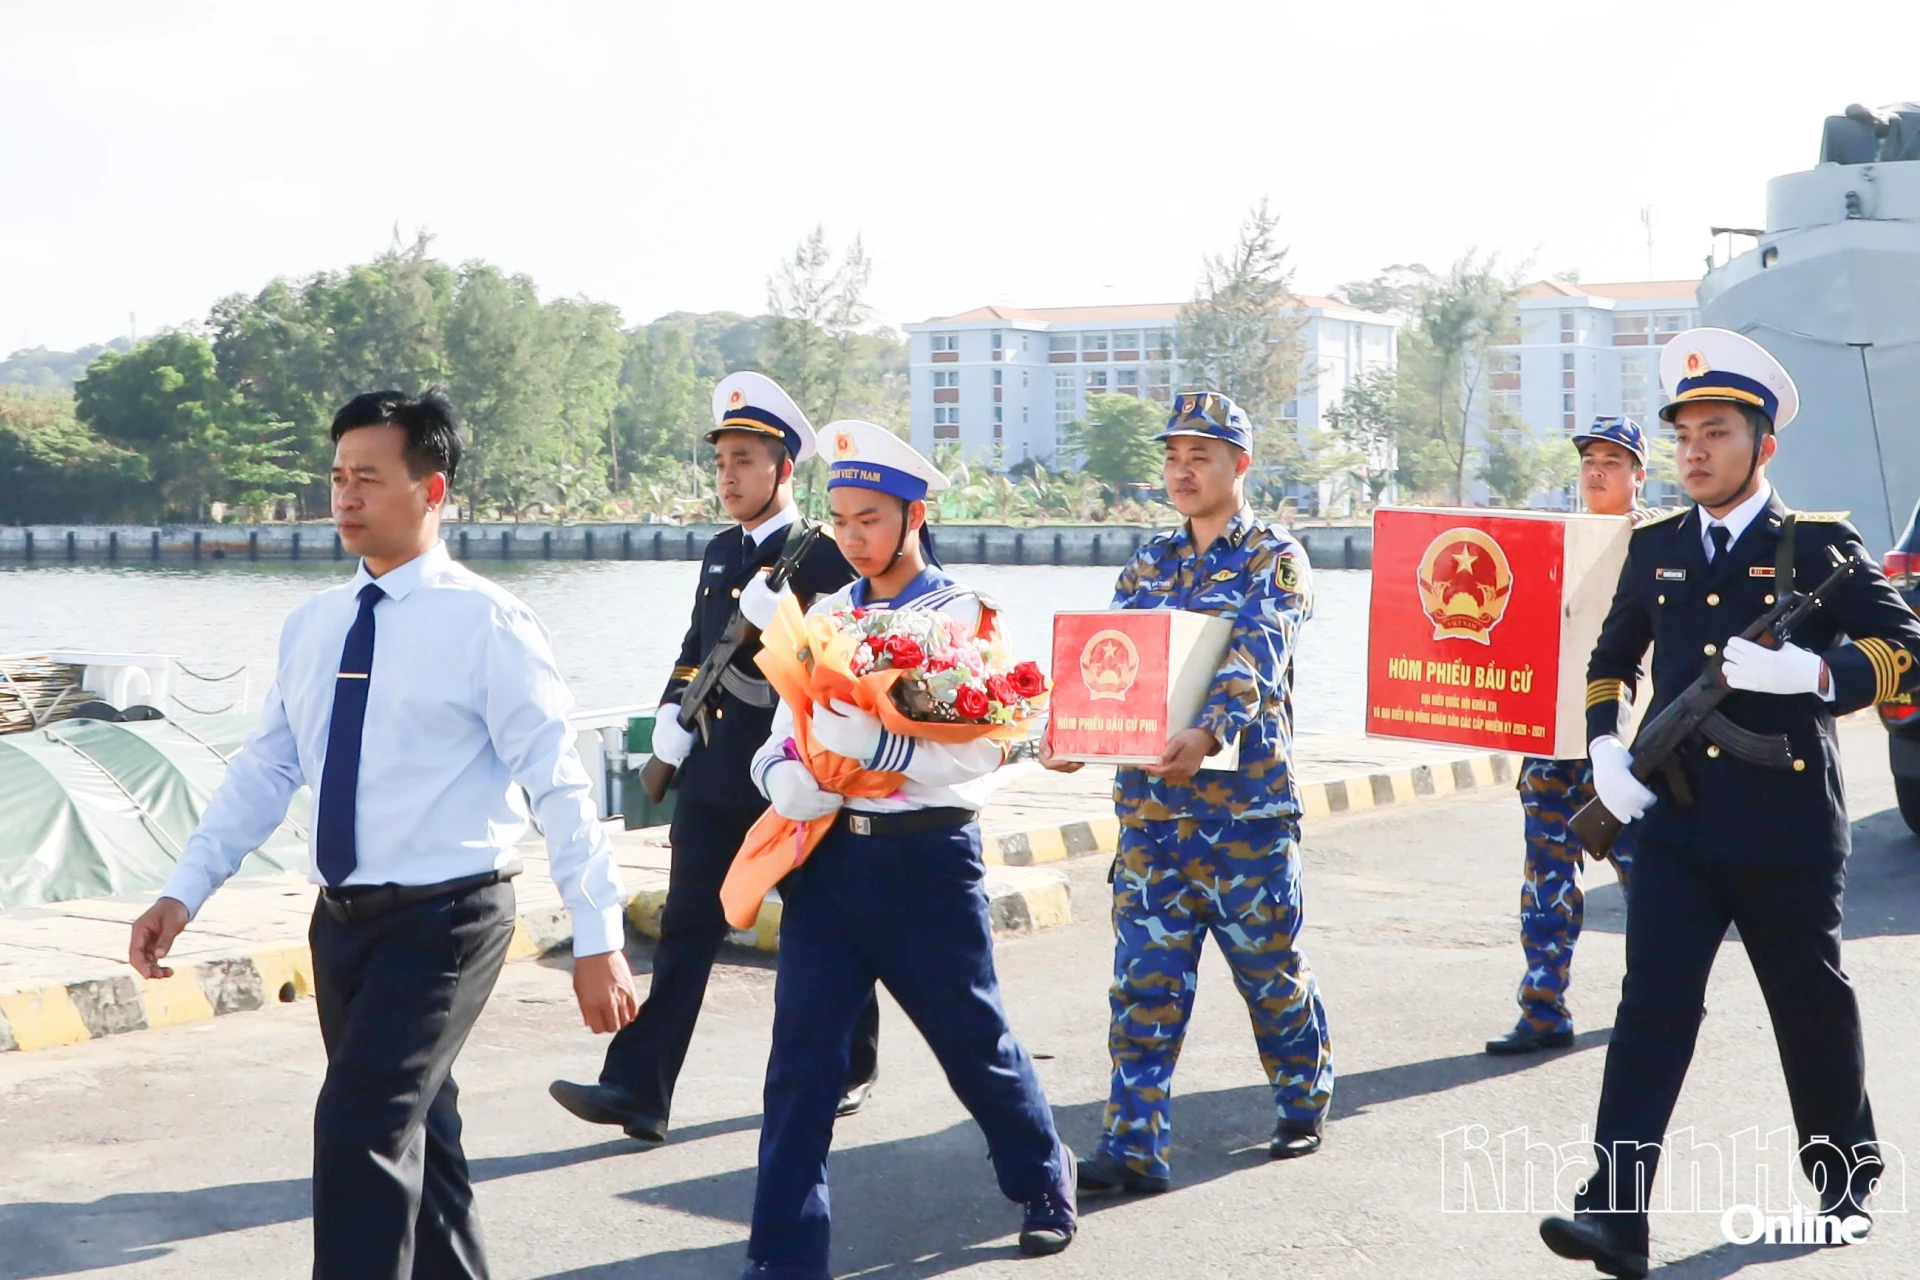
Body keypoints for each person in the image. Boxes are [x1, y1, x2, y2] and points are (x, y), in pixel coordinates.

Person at [126, 391, 639, 1280]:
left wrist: (598, 938)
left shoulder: (489, 623)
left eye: (369, 477)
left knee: (359, 1129)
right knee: (421, 1147)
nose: (346, 497)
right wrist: (184, 889)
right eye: (336, 478)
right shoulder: (313, 625)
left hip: (448, 921)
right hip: (345, 925)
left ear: (430, 489)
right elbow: (265, 771)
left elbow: (559, 781)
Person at [1540, 330, 1920, 1277]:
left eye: (1717, 431)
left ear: (1763, 446)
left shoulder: (1819, 545)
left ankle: (1844, 1180)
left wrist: (1815, 673)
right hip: (1675, 822)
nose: (1696, 450)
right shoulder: (1659, 543)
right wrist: (1603, 749)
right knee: (1651, 1009)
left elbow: (1905, 647)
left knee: (1808, 1004)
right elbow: (1610, 659)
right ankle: (1613, 1212)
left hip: (1785, 823)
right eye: (1685, 435)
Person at [738, 420, 1075, 1279]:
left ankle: (1043, 1178)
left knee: (976, 1047)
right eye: (841, 521)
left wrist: (884, 751)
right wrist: (780, 776)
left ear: (913, 515)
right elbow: (784, 731)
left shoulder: (960, 614)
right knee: (800, 1073)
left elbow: (988, 747)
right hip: (829, 865)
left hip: (927, 864)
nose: (853, 539)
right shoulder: (825, 614)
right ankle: (784, 1258)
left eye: (871, 520)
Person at [549, 372, 879, 1145]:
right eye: (722, 461)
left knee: (822, 926)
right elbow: (698, 652)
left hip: (791, 777)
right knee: (688, 927)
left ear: (783, 470)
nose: (727, 476)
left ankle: (850, 1066)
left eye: (743, 461)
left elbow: (846, 664)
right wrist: (670, 711)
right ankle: (638, 1090)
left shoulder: (825, 557)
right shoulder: (721, 549)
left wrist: (783, 629)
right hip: (711, 774)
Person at [1040, 390, 1333, 1195]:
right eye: (1172, 456)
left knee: (1270, 975)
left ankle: (1304, 1097)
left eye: (1199, 455)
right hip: (1152, 819)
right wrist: (1069, 732)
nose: (1182, 469)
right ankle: (1134, 1147)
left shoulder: (1277, 555)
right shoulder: (1149, 561)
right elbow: (1116, 665)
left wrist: (1207, 731)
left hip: (1246, 818)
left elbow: (1257, 658)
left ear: (1240, 465)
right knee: (1143, 988)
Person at [1486, 417, 1649, 1056]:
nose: (1598, 471)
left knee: (1649, 881)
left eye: (1613, 461)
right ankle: (1542, 1008)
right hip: (1553, 739)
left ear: (1639, 473)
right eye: (1590, 461)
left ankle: (1663, 997)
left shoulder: (1660, 542)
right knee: (1546, 880)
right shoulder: (1552, 541)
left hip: (1628, 743)